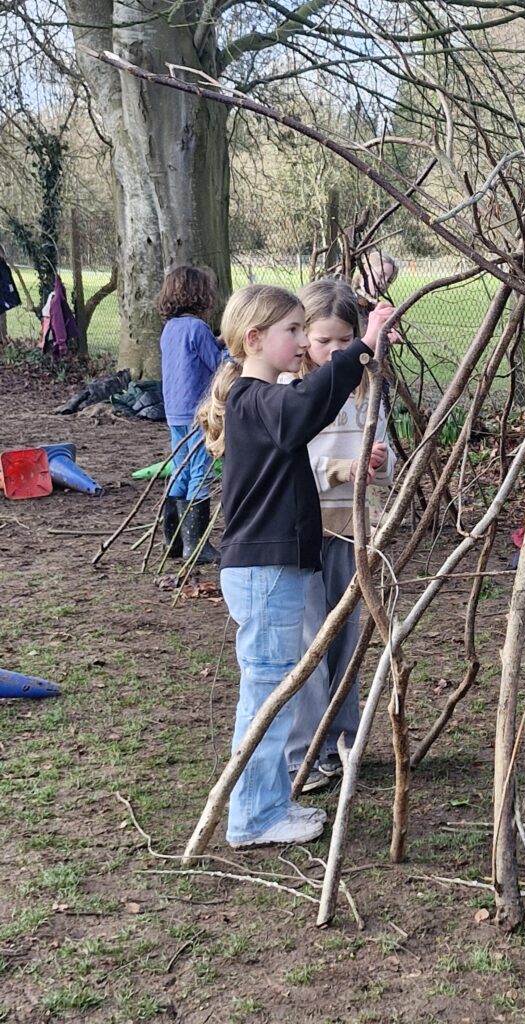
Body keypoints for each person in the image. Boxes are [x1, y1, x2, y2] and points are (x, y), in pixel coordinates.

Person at [196, 283, 393, 849]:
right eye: (293, 330)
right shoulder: (255, 400)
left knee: (271, 692)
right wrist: (362, 347)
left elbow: (311, 400)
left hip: (272, 569)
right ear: (255, 338)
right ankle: (254, 818)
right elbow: (308, 404)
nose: (303, 341)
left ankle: (266, 805)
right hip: (265, 573)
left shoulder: (263, 400)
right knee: (266, 697)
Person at [281, 280, 396, 793]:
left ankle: (341, 742)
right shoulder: (292, 390)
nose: (334, 351)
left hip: (353, 530)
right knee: (310, 639)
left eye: (345, 340)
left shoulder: (366, 387)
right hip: (305, 529)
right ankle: (304, 753)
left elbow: (386, 461)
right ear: (303, 337)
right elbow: (286, 464)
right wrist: (339, 469)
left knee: (346, 637)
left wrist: (377, 461)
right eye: (323, 340)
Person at [158, 266, 222, 563]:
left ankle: (172, 541)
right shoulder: (197, 328)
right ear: (200, 295)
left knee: (180, 468)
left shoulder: (170, 328)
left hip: (174, 412)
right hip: (197, 412)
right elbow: (217, 363)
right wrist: (234, 352)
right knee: (201, 470)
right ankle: (196, 546)